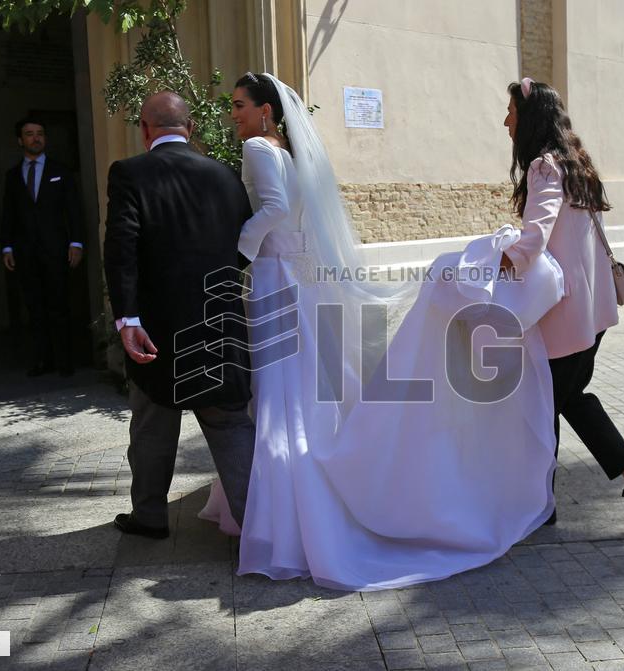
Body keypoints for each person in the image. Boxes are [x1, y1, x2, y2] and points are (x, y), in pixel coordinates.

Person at [199, 73, 564, 591]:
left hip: (274, 275)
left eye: (239, 104)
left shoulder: (258, 148)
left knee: (278, 390)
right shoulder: (291, 152)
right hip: (298, 274)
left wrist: (236, 249)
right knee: (302, 386)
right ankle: (288, 495)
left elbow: (275, 210)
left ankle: (281, 514)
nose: (233, 113)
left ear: (265, 111)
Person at [500, 78, 624, 534]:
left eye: (511, 111)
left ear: (530, 118)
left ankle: (542, 505)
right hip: (592, 312)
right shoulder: (575, 165)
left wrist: (496, 264)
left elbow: (535, 236)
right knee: (567, 399)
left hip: (565, 317)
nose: (506, 121)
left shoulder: (544, 167)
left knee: (542, 406)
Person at [103, 92, 256, 539]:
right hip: (219, 320)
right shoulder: (224, 175)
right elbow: (244, 243)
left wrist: (128, 319)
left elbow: (121, 249)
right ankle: (258, 529)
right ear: (190, 128)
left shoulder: (129, 172)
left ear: (145, 130)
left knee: (152, 422)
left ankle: (150, 516)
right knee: (229, 422)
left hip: (158, 326)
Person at [0, 117, 85, 377]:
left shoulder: (61, 171)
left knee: (59, 305)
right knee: (34, 308)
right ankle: (42, 360)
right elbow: (8, 214)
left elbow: (74, 210)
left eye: (40, 133)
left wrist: (76, 242)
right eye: (29, 133)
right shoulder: (12, 176)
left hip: (56, 249)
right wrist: (6, 247)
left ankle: (64, 361)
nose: (35, 138)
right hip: (25, 252)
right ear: (20, 140)